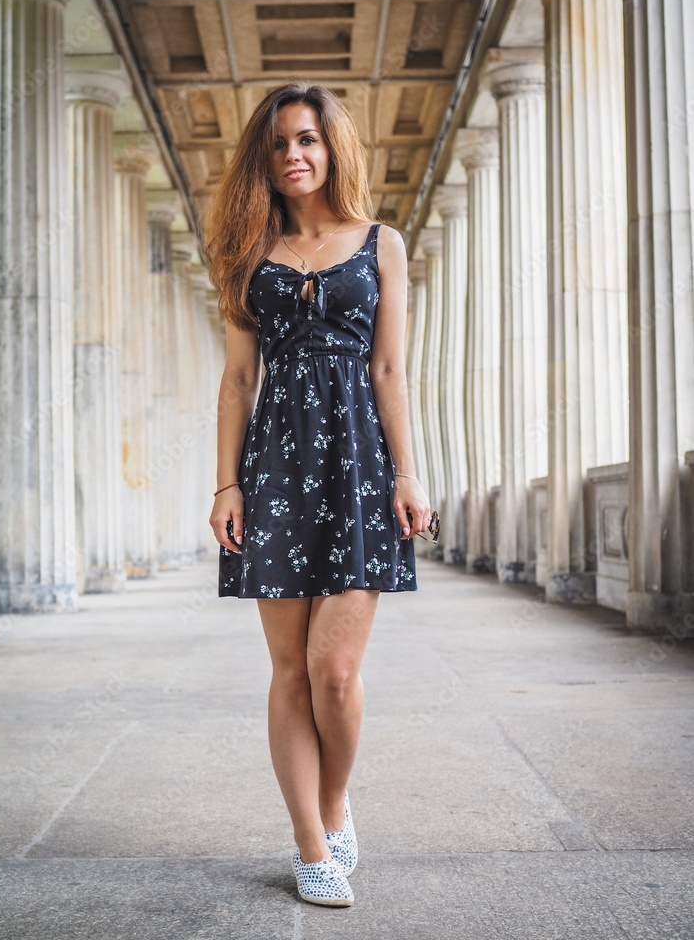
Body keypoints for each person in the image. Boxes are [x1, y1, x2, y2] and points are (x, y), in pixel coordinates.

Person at [206, 81, 431, 907]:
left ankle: (336, 802)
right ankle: (308, 844)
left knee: (334, 670)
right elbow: (237, 378)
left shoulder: (382, 244)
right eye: (278, 144)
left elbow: (389, 371)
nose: (294, 155)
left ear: (331, 147)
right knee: (290, 672)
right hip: (273, 469)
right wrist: (226, 482)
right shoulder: (245, 253)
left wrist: (409, 471)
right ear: (261, 160)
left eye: (307, 139)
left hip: (359, 466)